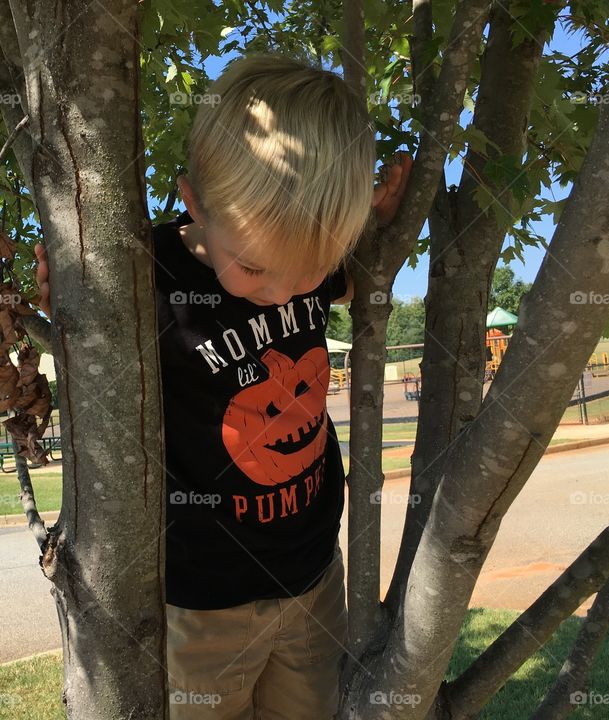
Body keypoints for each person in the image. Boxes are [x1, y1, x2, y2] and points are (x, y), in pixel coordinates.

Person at [32, 52, 411, 719]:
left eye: (308, 273)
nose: (281, 293)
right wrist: (65, 288)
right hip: (200, 601)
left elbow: (346, 275)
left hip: (313, 575)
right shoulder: (145, 276)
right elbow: (88, 333)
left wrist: (372, 221)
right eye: (256, 269)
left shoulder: (303, 249)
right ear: (194, 204)